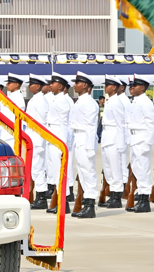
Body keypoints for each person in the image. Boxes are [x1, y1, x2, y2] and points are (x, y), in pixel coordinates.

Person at [69, 72, 100, 219]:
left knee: (88, 171)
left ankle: (90, 205)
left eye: (77, 82)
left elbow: (90, 127)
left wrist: (89, 148)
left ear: (85, 85)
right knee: (82, 171)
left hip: (85, 138)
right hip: (78, 137)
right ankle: (86, 203)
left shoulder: (88, 102)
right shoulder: (81, 101)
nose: (74, 85)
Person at [125, 74, 154, 213]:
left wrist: (148, 143)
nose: (131, 88)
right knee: (137, 169)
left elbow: (151, 123)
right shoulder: (135, 101)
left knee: (143, 169)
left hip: (142, 138)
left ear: (142, 87)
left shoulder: (145, 102)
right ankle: (141, 196)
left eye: (134, 86)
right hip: (134, 138)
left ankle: (144, 200)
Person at [45, 73, 72, 215]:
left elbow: (64, 124)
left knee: (59, 173)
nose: (50, 85)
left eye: (53, 83)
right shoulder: (55, 99)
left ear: (60, 86)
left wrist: (62, 144)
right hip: (52, 136)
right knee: (54, 172)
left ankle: (64, 202)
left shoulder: (62, 101)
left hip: (58, 137)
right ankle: (61, 202)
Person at [99, 75, 126, 208]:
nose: (105, 87)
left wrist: (121, 143)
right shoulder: (110, 101)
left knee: (115, 168)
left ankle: (116, 197)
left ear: (114, 87)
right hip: (107, 136)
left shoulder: (116, 102)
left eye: (107, 85)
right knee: (108, 167)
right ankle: (113, 194)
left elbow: (121, 124)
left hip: (115, 137)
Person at [26, 74, 51, 210]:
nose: (30, 86)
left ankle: (41, 197)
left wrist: (41, 141)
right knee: (35, 169)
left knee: (38, 169)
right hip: (33, 137)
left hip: (38, 138)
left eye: (32, 84)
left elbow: (42, 122)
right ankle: (39, 196)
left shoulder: (40, 100)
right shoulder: (35, 99)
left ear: (39, 86)